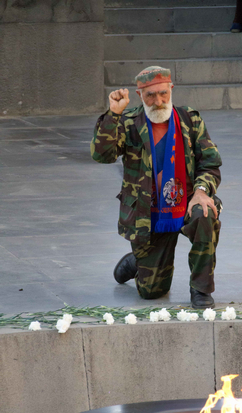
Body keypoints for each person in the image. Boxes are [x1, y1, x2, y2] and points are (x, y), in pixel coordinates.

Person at [90, 66, 222, 309]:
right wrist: (113, 114)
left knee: (205, 213)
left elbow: (210, 163)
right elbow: (102, 155)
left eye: (163, 93)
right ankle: (136, 263)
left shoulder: (189, 120)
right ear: (140, 95)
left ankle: (201, 290)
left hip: (186, 202)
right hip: (148, 214)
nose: (158, 101)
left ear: (171, 89)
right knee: (152, 293)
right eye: (150, 95)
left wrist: (202, 192)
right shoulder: (128, 122)